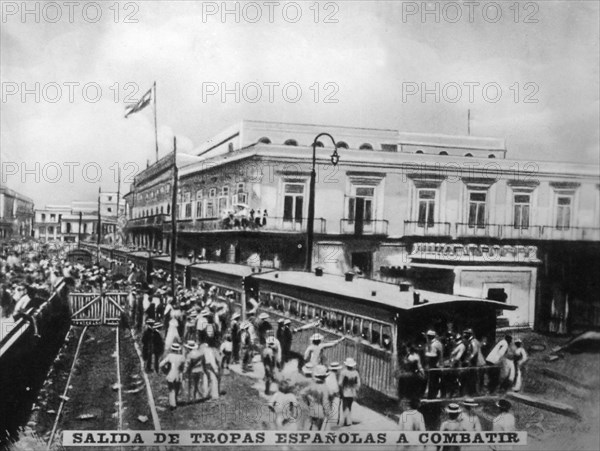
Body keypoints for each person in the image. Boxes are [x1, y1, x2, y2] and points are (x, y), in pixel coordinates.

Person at [300, 365, 334, 431]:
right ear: (324, 377)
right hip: (320, 411)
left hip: (311, 409)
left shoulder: (312, 386)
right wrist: (328, 412)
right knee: (317, 427)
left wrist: (307, 400)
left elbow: (302, 393)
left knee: (310, 425)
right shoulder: (325, 388)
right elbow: (325, 401)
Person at [159, 343, 186, 410]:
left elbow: (161, 364)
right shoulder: (181, 357)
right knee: (176, 389)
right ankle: (175, 401)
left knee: (171, 390)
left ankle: (172, 404)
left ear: (172, 349)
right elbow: (184, 367)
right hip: (178, 376)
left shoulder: (170, 356)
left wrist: (165, 370)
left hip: (170, 375)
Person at [338, 357, 361, 427]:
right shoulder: (355, 372)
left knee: (345, 406)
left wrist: (340, 390)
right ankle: (348, 420)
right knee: (349, 406)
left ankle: (346, 421)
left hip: (345, 391)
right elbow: (358, 383)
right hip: (352, 391)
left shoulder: (343, 372)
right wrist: (355, 389)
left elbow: (340, 383)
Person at [424, 330, 444, 399]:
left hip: (435, 366)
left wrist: (425, 353)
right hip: (438, 366)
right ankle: (434, 395)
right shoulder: (438, 343)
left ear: (429, 337)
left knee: (433, 383)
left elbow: (433, 355)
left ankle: (432, 397)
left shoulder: (434, 344)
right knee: (435, 382)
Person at [325, 362, 342, 426]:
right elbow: (334, 386)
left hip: (326, 391)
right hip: (330, 392)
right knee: (330, 404)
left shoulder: (328, 374)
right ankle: (328, 418)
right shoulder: (333, 375)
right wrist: (337, 392)